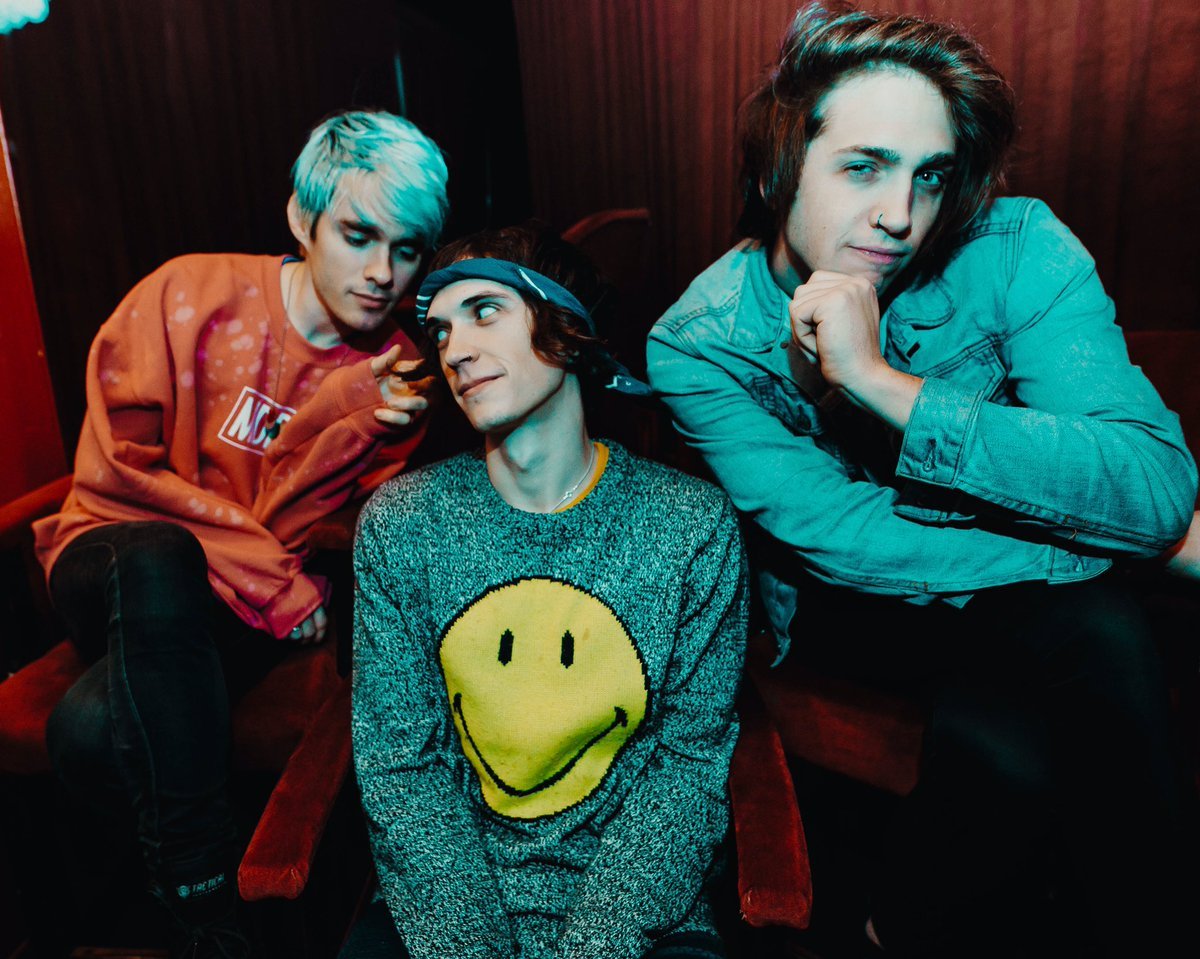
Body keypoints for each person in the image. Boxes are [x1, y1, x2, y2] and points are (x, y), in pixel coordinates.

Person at [647, 4, 1198, 956]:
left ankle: (898, 925)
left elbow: (1150, 482)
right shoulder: (699, 344)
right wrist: (1122, 546)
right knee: (1104, 626)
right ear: (778, 171)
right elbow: (848, 536)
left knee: (1021, 744)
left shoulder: (1016, 247)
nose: (901, 216)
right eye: (863, 167)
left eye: (929, 176)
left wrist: (883, 384)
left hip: (1017, 596)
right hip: (850, 604)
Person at [34, 109, 448, 958]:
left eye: (406, 250)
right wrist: (266, 567)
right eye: (358, 235)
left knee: (85, 724)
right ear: (302, 218)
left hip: (238, 602)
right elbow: (118, 471)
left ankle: (199, 917)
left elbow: (301, 518)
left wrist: (344, 408)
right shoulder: (188, 293)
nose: (382, 273)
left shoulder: (393, 376)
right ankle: (215, 897)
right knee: (159, 556)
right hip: (110, 551)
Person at [347, 224, 748, 959]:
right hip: (444, 910)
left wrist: (592, 947)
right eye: (441, 331)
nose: (455, 350)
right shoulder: (402, 524)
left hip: (641, 918)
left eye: (485, 311)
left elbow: (689, 768)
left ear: (565, 326)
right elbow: (400, 764)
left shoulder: (692, 524)